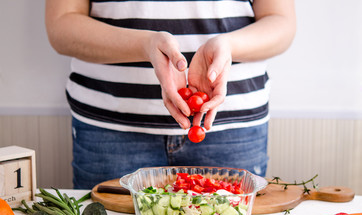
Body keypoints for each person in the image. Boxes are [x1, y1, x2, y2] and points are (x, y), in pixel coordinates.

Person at [45, 0, 296, 189]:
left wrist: (228, 46)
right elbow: (62, 26)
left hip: (232, 130)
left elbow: (281, 22)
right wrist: (144, 45)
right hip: (110, 128)